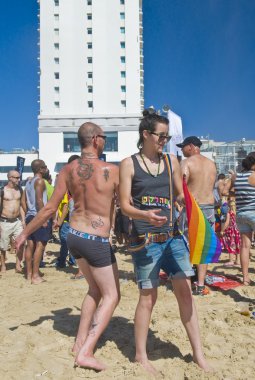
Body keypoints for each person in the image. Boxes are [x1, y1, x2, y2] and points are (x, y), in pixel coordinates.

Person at [16, 122, 120, 371]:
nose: (105, 141)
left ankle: (78, 342)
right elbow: (125, 205)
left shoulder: (67, 170)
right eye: (104, 137)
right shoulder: (112, 170)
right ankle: (86, 352)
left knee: (95, 290)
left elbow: (50, 208)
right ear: (95, 139)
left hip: (73, 236)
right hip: (95, 238)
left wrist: (24, 234)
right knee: (112, 294)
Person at [119, 110, 210, 374]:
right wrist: (143, 214)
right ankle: (140, 356)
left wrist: (183, 203)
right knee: (148, 297)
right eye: (161, 135)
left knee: (185, 293)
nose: (165, 140)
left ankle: (198, 354)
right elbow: (125, 205)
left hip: (173, 238)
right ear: (145, 135)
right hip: (146, 240)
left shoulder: (171, 160)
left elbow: (180, 194)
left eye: (167, 136)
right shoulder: (128, 164)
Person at [177, 136, 217, 296]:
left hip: (193, 207)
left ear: (191, 146)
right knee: (204, 246)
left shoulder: (187, 163)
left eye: (183, 147)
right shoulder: (211, 164)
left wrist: (179, 200)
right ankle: (200, 285)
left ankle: (187, 282)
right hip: (209, 207)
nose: (181, 149)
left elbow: (180, 188)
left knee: (187, 244)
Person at [223, 151, 255, 285]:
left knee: (245, 246)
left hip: (241, 214)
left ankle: (245, 278)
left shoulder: (236, 177)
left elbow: (224, 191)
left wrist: (237, 194)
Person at [21, 159, 52, 284]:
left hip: (30, 216)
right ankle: (35, 276)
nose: (46, 169)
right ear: (40, 169)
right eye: (45, 167)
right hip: (38, 216)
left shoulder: (28, 182)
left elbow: (23, 201)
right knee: (40, 245)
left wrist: (29, 212)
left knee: (30, 245)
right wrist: (43, 218)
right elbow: (40, 201)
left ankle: (29, 274)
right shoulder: (39, 181)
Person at [0, 170, 25, 273]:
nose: (18, 179)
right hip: (4, 221)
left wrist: (23, 221)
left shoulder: (20, 190)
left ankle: (18, 265)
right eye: (16, 177)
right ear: (9, 178)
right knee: (3, 246)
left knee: (21, 243)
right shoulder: (2, 191)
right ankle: (3, 265)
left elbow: (21, 206)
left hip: (17, 221)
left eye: (19, 177)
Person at [219, 199, 240, 267]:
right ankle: (237, 260)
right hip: (238, 231)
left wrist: (222, 230)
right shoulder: (238, 213)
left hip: (231, 231)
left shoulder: (229, 213)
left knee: (231, 245)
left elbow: (227, 223)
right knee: (237, 245)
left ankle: (231, 261)